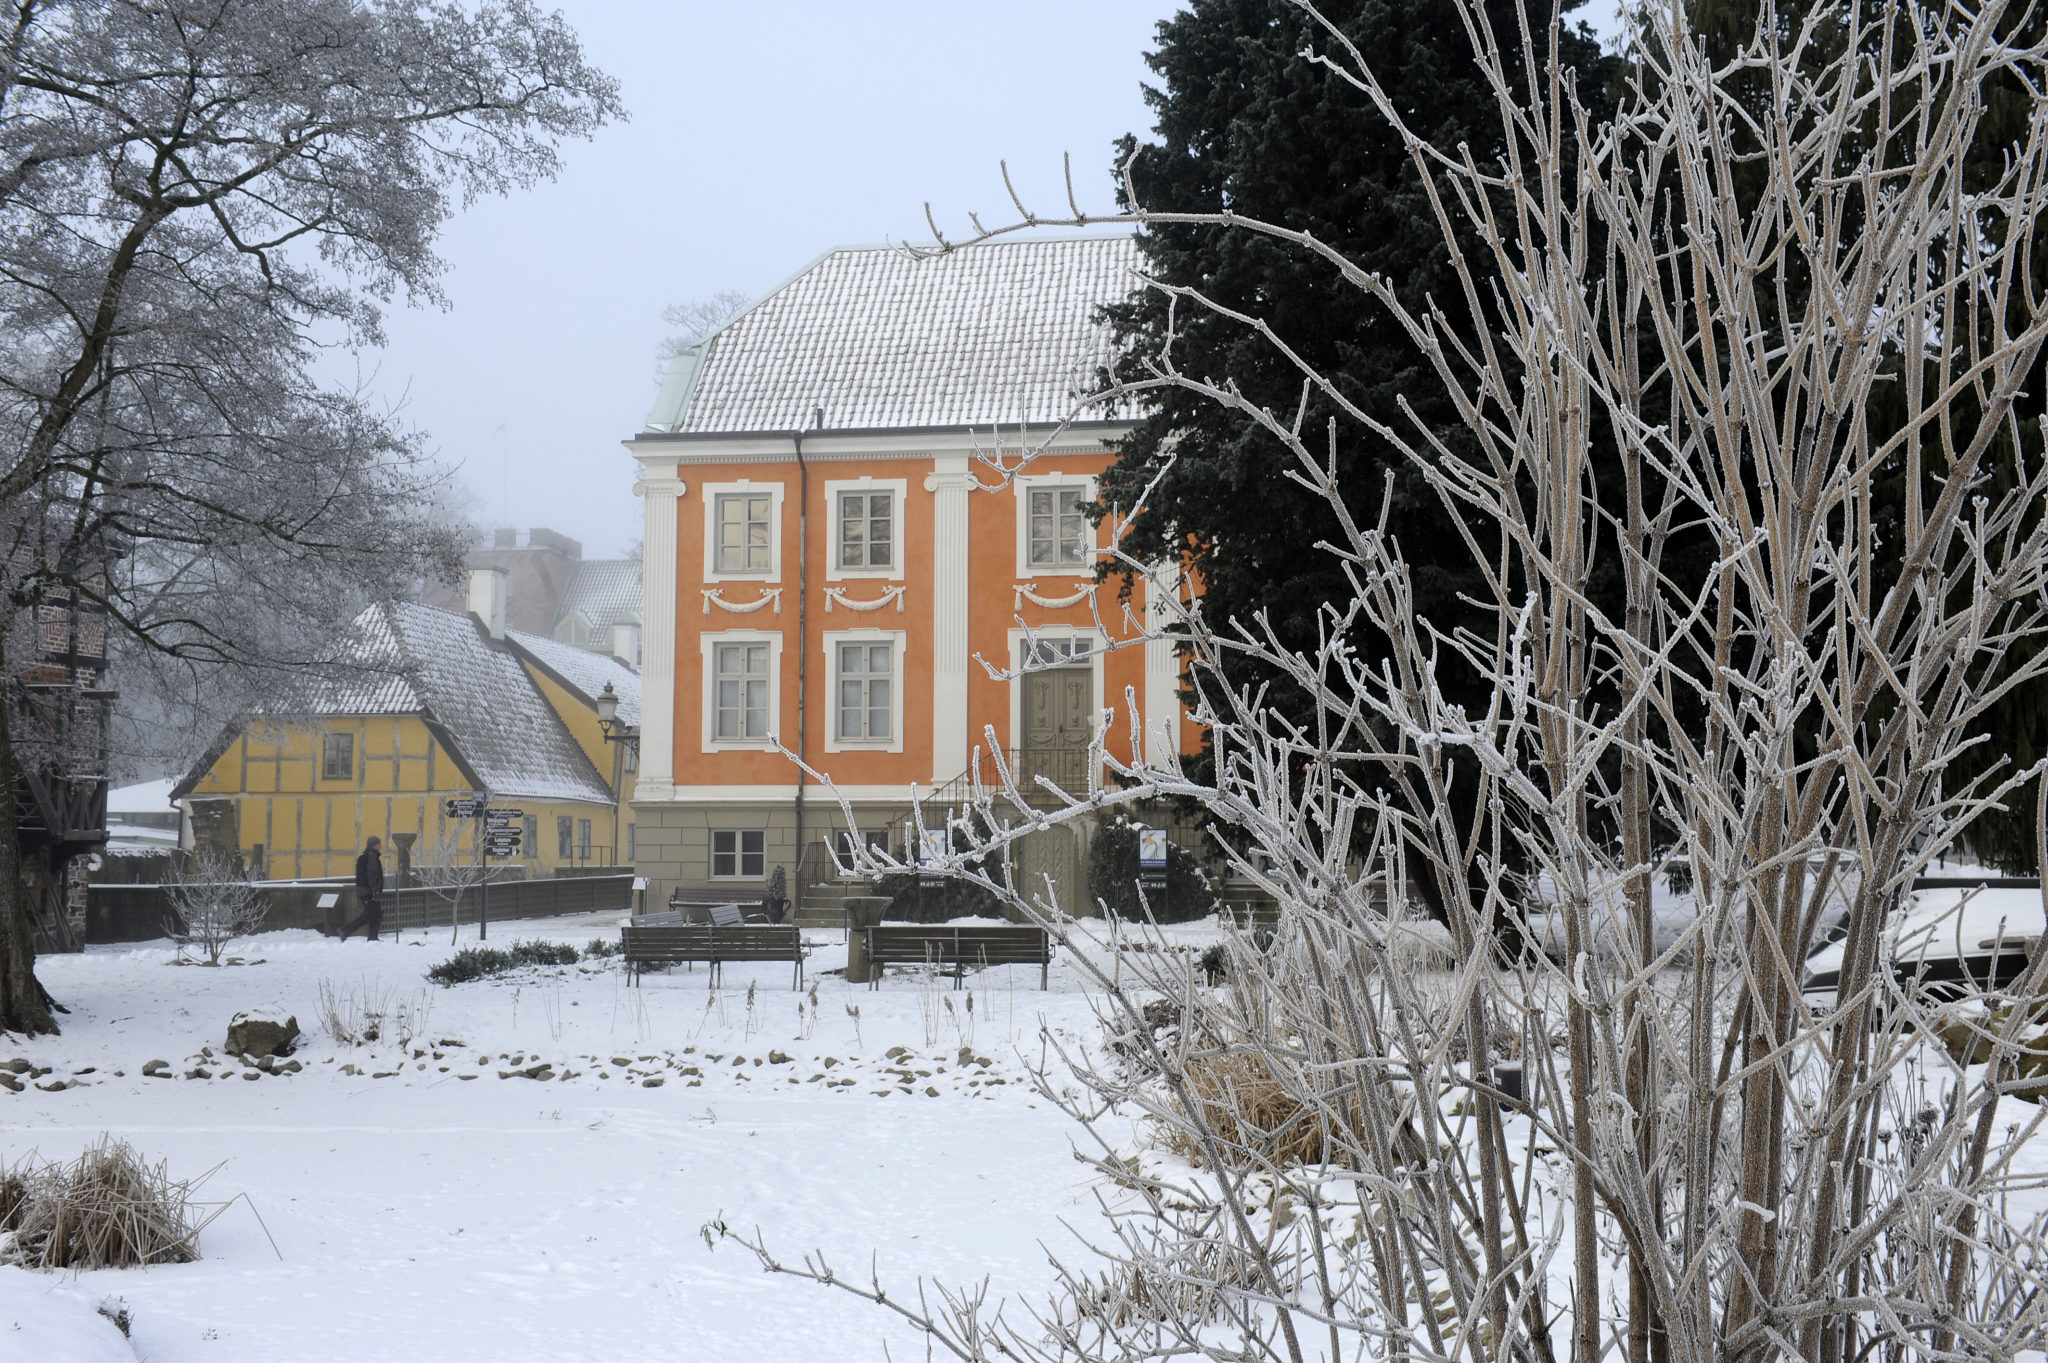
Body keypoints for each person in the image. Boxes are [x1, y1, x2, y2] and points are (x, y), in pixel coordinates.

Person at [340, 836, 385, 941]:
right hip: (368, 891)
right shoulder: (372, 856)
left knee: (376, 914)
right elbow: (372, 874)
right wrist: (375, 890)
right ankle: (345, 930)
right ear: (374, 845)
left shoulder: (365, 856)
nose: (380, 846)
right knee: (369, 915)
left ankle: (373, 937)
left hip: (365, 890)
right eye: (379, 843)